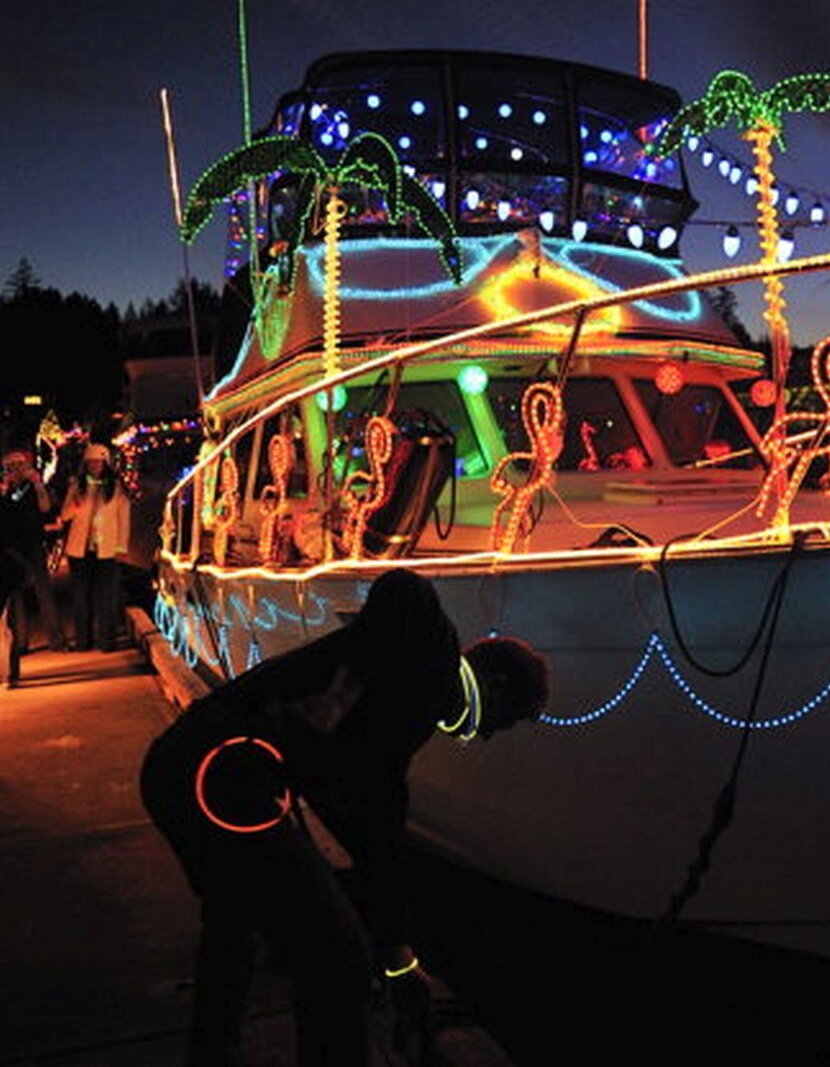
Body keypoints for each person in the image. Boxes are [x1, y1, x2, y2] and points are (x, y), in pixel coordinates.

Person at [139, 568, 550, 1067]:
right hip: (225, 776)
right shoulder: (429, 663)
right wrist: (395, 952)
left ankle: (211, 1055)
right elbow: (404, 588)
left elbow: (368, 808)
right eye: (502, 721)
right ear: (497, 682)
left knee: (234, 923)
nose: (486, 737)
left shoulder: (406, 696)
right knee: (339, 957)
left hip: (190, 766)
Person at [1, 446, 66, 683]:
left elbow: (45, 508)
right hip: (11, 550)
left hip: (33, 545)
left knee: (43, 591)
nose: (14, 470)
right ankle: (20, 644)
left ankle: (56, 639)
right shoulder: (7, 490)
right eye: (9, 467)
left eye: (18, 465)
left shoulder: (31, 486)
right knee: (15, 600)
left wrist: (38, 485)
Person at [58, 442, 131, 652]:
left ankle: (107, 641)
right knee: (81, 599)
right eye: (90, 463)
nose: (94, 467)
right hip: (79, 552)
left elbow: (123, 520)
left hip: (106, 551)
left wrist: (121, 547)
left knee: (105, 598)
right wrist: (75, 503)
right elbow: (65, 515)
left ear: (106, 464)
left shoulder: (116, 488)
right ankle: (83, 641)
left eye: (98, 463)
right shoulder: (77, 486)